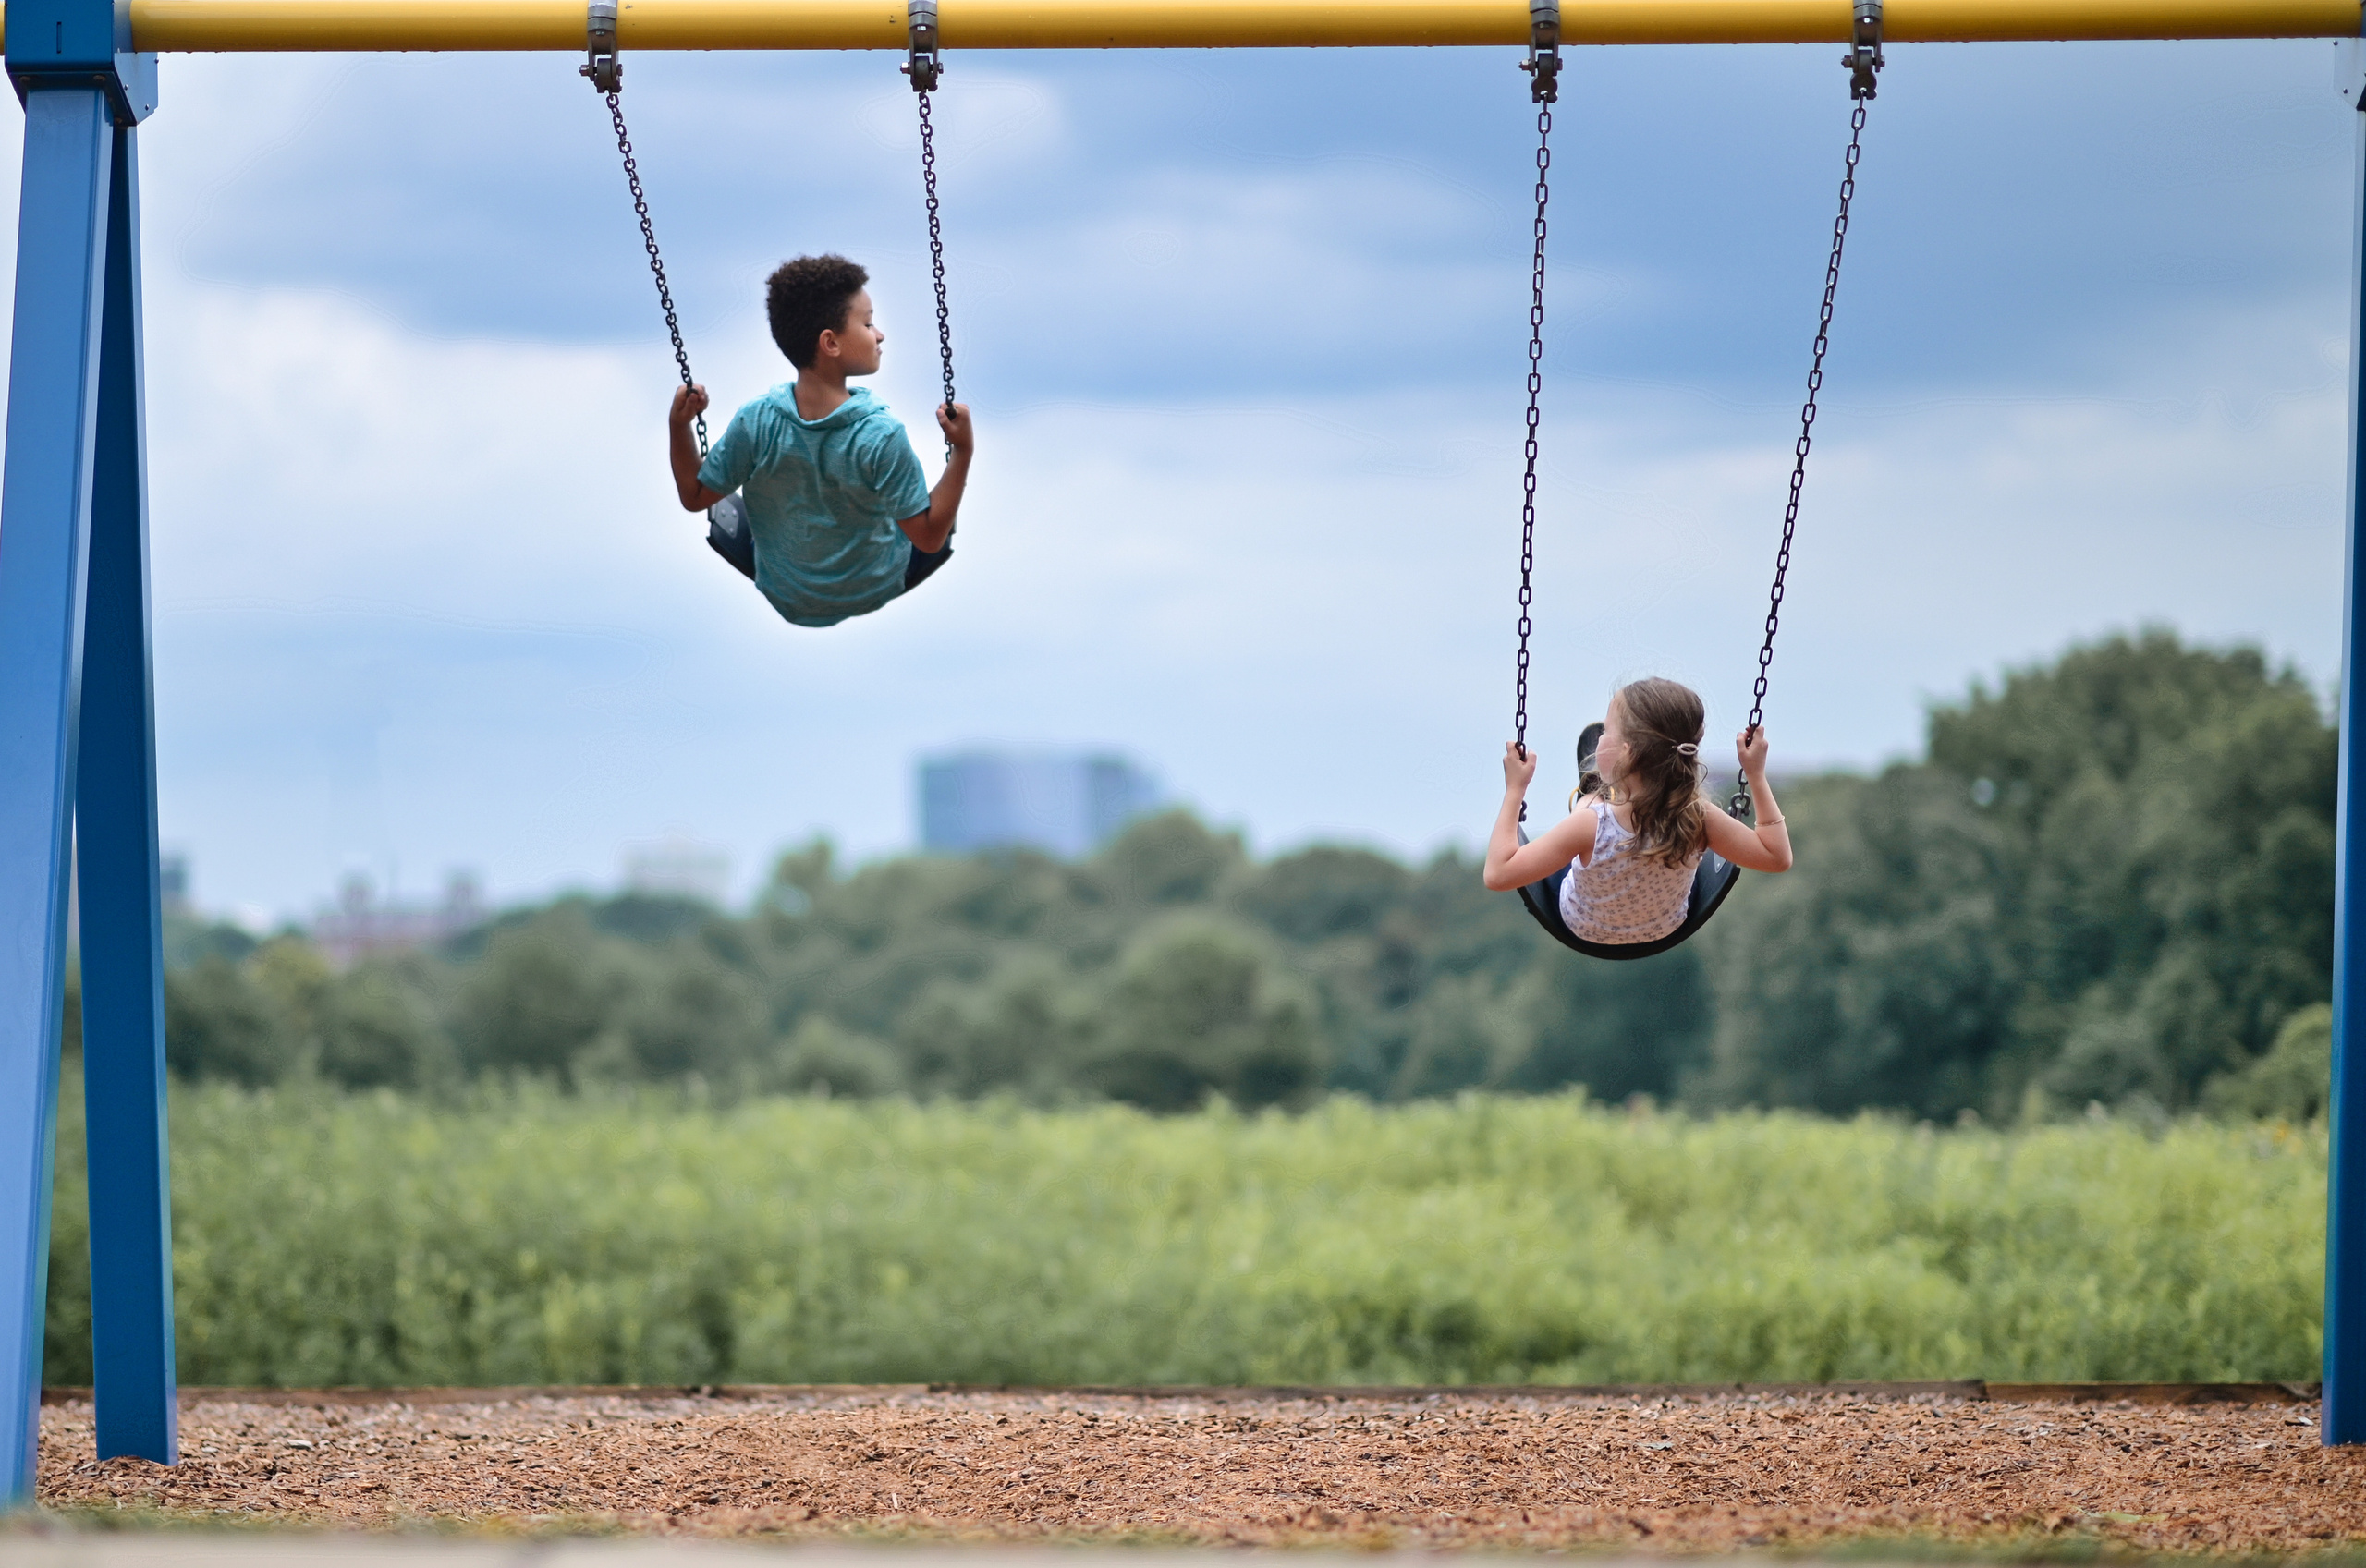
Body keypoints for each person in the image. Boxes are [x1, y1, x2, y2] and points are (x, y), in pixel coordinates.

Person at [667, 253, 974, 628]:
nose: (879, 334)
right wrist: (962, 451)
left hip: (785, 590)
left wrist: (679, 425)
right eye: (868, 323)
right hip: (874, 586)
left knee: (737, 485)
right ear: (830, 343)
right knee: (919, 513)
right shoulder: (882, 436)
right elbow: (928, 539)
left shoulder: (756, 421)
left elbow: (694, 496)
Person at [1482, 677, 1794, 944]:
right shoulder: (1698, 818)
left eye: (1605, 732)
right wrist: (1756, 775)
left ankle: (1597, 795)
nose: (1599, 738)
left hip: (1584, 926)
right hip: (1664, 928)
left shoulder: (1589, 825)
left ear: (1626, 752)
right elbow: (1777, 857)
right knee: (1682, 844)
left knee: (1588, 811)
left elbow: (1497, 874)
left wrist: (1515, 790)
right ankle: (1611, 791)